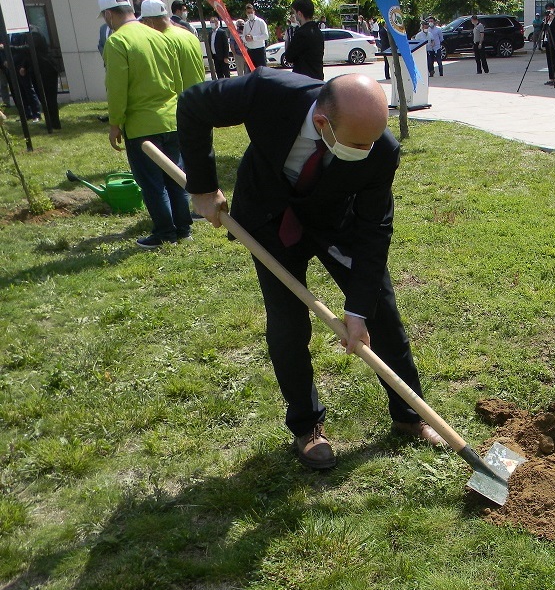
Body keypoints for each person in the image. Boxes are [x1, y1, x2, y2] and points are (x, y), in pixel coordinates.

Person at [177, 70, 445, 469]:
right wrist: (202, 186)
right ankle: (307, 427)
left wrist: (356, 312)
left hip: (335, 219)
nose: (368, 149)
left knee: (381, 312)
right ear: (322, 123)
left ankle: (409, 415)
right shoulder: (268, 92)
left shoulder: (381, 152)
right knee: (288, 325)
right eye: (357, 143)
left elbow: (375, 229)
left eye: (373, 140)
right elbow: (194, 104)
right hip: (269, 216)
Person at [98, 0, 192, 249]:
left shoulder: (117, 42)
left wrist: (115, 123)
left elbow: (117, 88)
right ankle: (183, 228)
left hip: (142, 126)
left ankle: (165, 232)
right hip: (171, 118)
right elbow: (177, 78)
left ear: (108, 15)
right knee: (175, 174)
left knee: (152, 182)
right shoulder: (160, 36)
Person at [139, 0, 204, 91]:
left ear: (149, 21)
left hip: (182, 100)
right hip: (200, 95)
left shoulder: (162, 41)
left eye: (144, 22)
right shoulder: (189, 34)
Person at [10, 26, 61, 129]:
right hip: (35, 69)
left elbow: (29, 48)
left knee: (50, 98)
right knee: (42, 97)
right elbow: (29, 54)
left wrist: (9, 47)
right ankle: (50, 121)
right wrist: (24, 66)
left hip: (47, 69)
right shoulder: (27, 34)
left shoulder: (35, 33)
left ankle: (55, 123)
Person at [284, 0, 324, 81]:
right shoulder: (318, 31)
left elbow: (289, 57)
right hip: (318, 77)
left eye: (294, 12)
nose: (294, 15)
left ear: (299, 13)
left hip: (303, 80)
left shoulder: (301, 33)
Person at [242, 3, 269, 69]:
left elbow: (266, 36)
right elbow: (243, 37)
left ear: (254, 11)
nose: (250, 14)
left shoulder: (260, 22)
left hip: (259, 50)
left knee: (262, 70)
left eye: (251, 12)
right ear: (246, 13)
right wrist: (246, 38)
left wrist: (253, 38)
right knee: (251, 70)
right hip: (250, 50)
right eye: (248, 13)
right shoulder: (246, 24)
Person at [543, 2, 555, 87]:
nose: (548, 10)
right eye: (547, 9)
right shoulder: (547, 20)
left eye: (550, 8)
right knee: (549, 61)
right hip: (548, 43)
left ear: (553, 9)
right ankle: (551, 78)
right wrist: (545, 20)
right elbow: (543, 29)